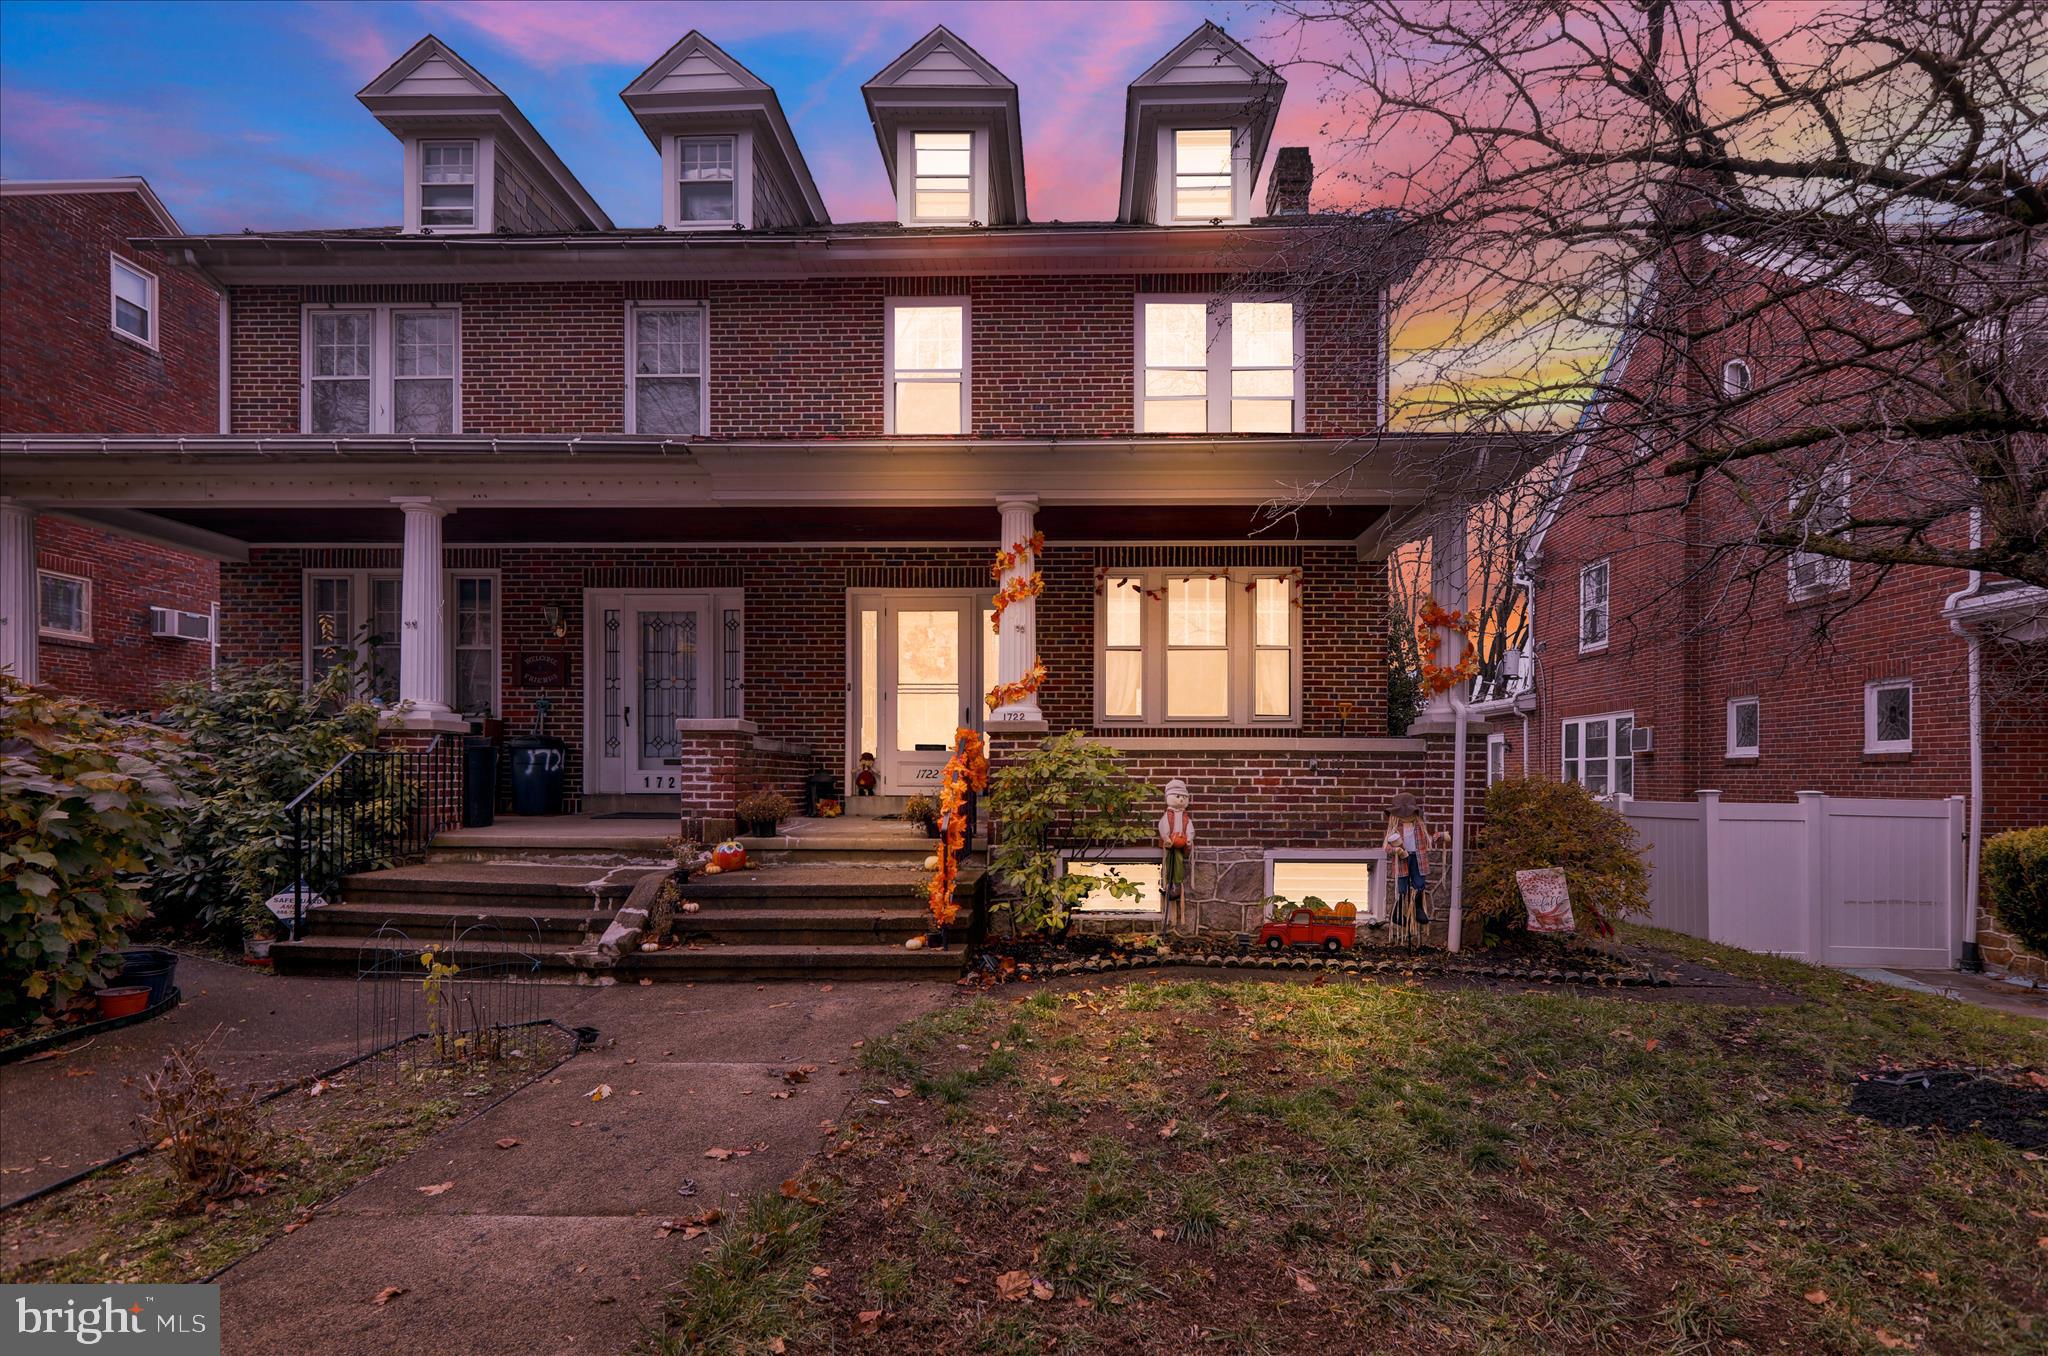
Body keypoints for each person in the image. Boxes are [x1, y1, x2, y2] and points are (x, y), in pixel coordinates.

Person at [1382, 791, 1435, 928]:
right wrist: (1396, 850)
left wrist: (1440, 835)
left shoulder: (1419, 826)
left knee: (1419, 882)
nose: (1406, 816)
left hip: (1417, 857)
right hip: (1402, 859)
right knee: (1402, 885)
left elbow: (1429, 840)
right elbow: (1386, 848)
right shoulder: (1394, 829)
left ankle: (1418, 909)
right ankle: (1397, 914)